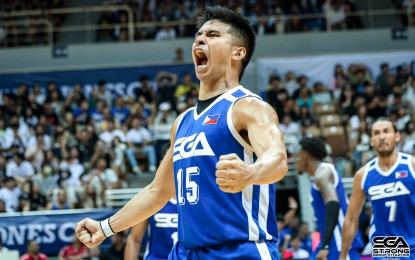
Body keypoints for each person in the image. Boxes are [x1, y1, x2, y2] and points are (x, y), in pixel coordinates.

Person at [76, 6, 288, 259]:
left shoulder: (248, 107)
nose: (200, 39)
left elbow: (278, 161)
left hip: (240, 250)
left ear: (238, 52)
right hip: (186, 252)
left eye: (213, 35)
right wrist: (104, 227)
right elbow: (158, 191)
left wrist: (251, 173)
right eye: (199, 35)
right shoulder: (182, 122)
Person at [340, 119, 415, 259]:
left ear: (397, 136)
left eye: (386, 131)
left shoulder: (411, 165)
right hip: (386, 245)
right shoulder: (363, 174)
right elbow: (351, 219)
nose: (382, 137)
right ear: (371, 141)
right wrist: (343, 256)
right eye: (376, 133)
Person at [298, 137, 363, 259]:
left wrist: (326, 246)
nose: (298, 160)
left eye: (299, 156)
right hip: (330, 241)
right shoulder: (320, 175)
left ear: (305, 155)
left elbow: (333, 204)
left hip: (339, 243)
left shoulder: (322, 174)